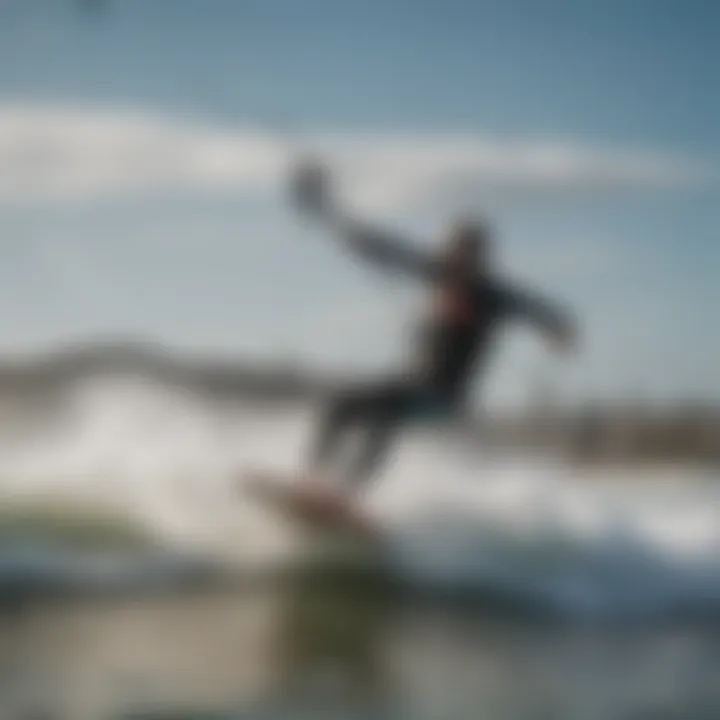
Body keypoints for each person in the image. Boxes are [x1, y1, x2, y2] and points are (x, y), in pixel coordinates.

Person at [291, 159, 577, 488]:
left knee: (385, 415)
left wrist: (560, 331)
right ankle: (310, 480)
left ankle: (348, 492)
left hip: (444, 398)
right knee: (339, 406)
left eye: (469, 253)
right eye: (455, 250)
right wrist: (343, 224)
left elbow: (539, 310)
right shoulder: (438, 274)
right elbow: (391, 250)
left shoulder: (492, 296)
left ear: (480, 257)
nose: (459, 259)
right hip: (409, 384)